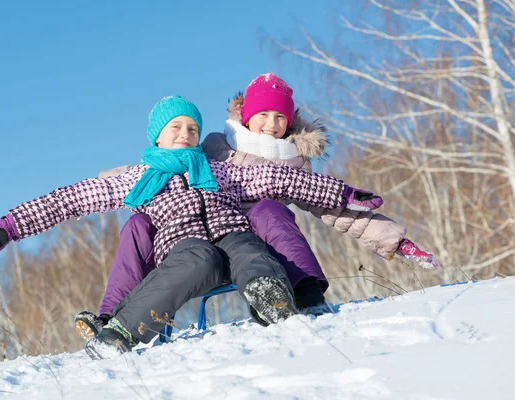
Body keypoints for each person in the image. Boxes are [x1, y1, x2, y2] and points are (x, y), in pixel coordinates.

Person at [0, 95, 383, 358]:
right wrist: (9, 227)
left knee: (252, 251)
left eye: (192, 128)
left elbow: (283, 180)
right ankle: (122, 331)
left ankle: (271, 299)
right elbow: (70, 199)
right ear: (158, 136)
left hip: (231, 235)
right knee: (199, 258)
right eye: (176, 128)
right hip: (184, 249)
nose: (186, 134)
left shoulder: (220, 171)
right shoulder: (138, 177)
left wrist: (344, 194)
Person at [74, 73, 439, 341]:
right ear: (245, 115)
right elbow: (167, 165)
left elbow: (330, 206)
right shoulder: (217, 147)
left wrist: (393, 238)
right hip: (192, 239)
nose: (271, 124)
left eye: (280, 118)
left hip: (254, 247)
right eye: (263, 115)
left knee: (268, 209)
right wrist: (111, 183)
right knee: (139, 223)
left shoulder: (293, 162)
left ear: (290, 123)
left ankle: (303, 290)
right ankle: (111, 317)